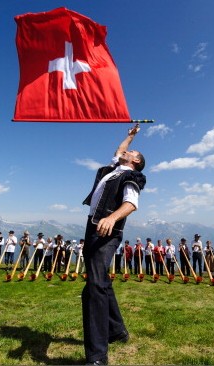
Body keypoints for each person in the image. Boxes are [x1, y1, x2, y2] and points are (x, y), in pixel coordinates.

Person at [81, 124, 146, 365]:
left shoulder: (131, 176)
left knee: (93, 289)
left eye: (132, 152)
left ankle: (97, 356)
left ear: (136, 162)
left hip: (108, 231)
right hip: (93, 227)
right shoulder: (114, 169)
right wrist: (130, 136)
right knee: (101, 282)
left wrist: (111, 217)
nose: (126, 153)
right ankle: (117, 330)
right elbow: (119, 150)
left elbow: (131, 203)